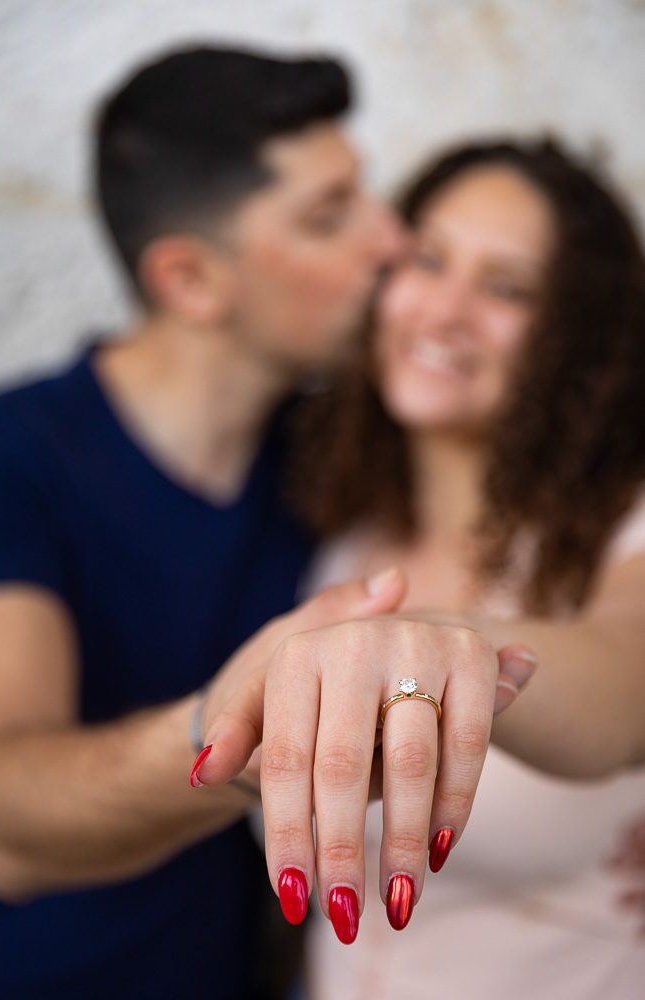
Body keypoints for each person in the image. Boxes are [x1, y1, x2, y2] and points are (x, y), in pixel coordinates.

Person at [0, 44, 411, 999]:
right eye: (327, 216)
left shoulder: (324, 453)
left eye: (365, 196)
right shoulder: (8, 458)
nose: (389, 240)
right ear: (190, 281)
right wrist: (222, 738)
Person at [267, 137, 645, 997]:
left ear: (579, 338)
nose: (443, 311)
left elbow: (626, 683)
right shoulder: (338, 533)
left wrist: (440, 651)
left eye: (505, 288)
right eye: (426, 260)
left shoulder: (625, 525)